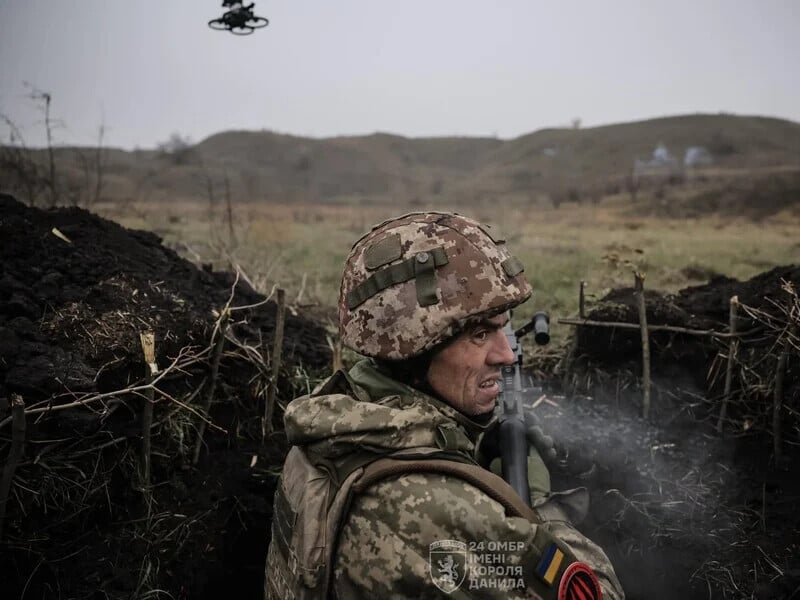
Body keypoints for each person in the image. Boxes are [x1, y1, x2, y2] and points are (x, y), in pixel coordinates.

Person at [265, 212, 624, 599]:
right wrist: (536, 508)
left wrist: (466, 452)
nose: (506, 355)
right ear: (415, 351)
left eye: (503, 327)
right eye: (480, 334)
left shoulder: (332, 429)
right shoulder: (441, 508)